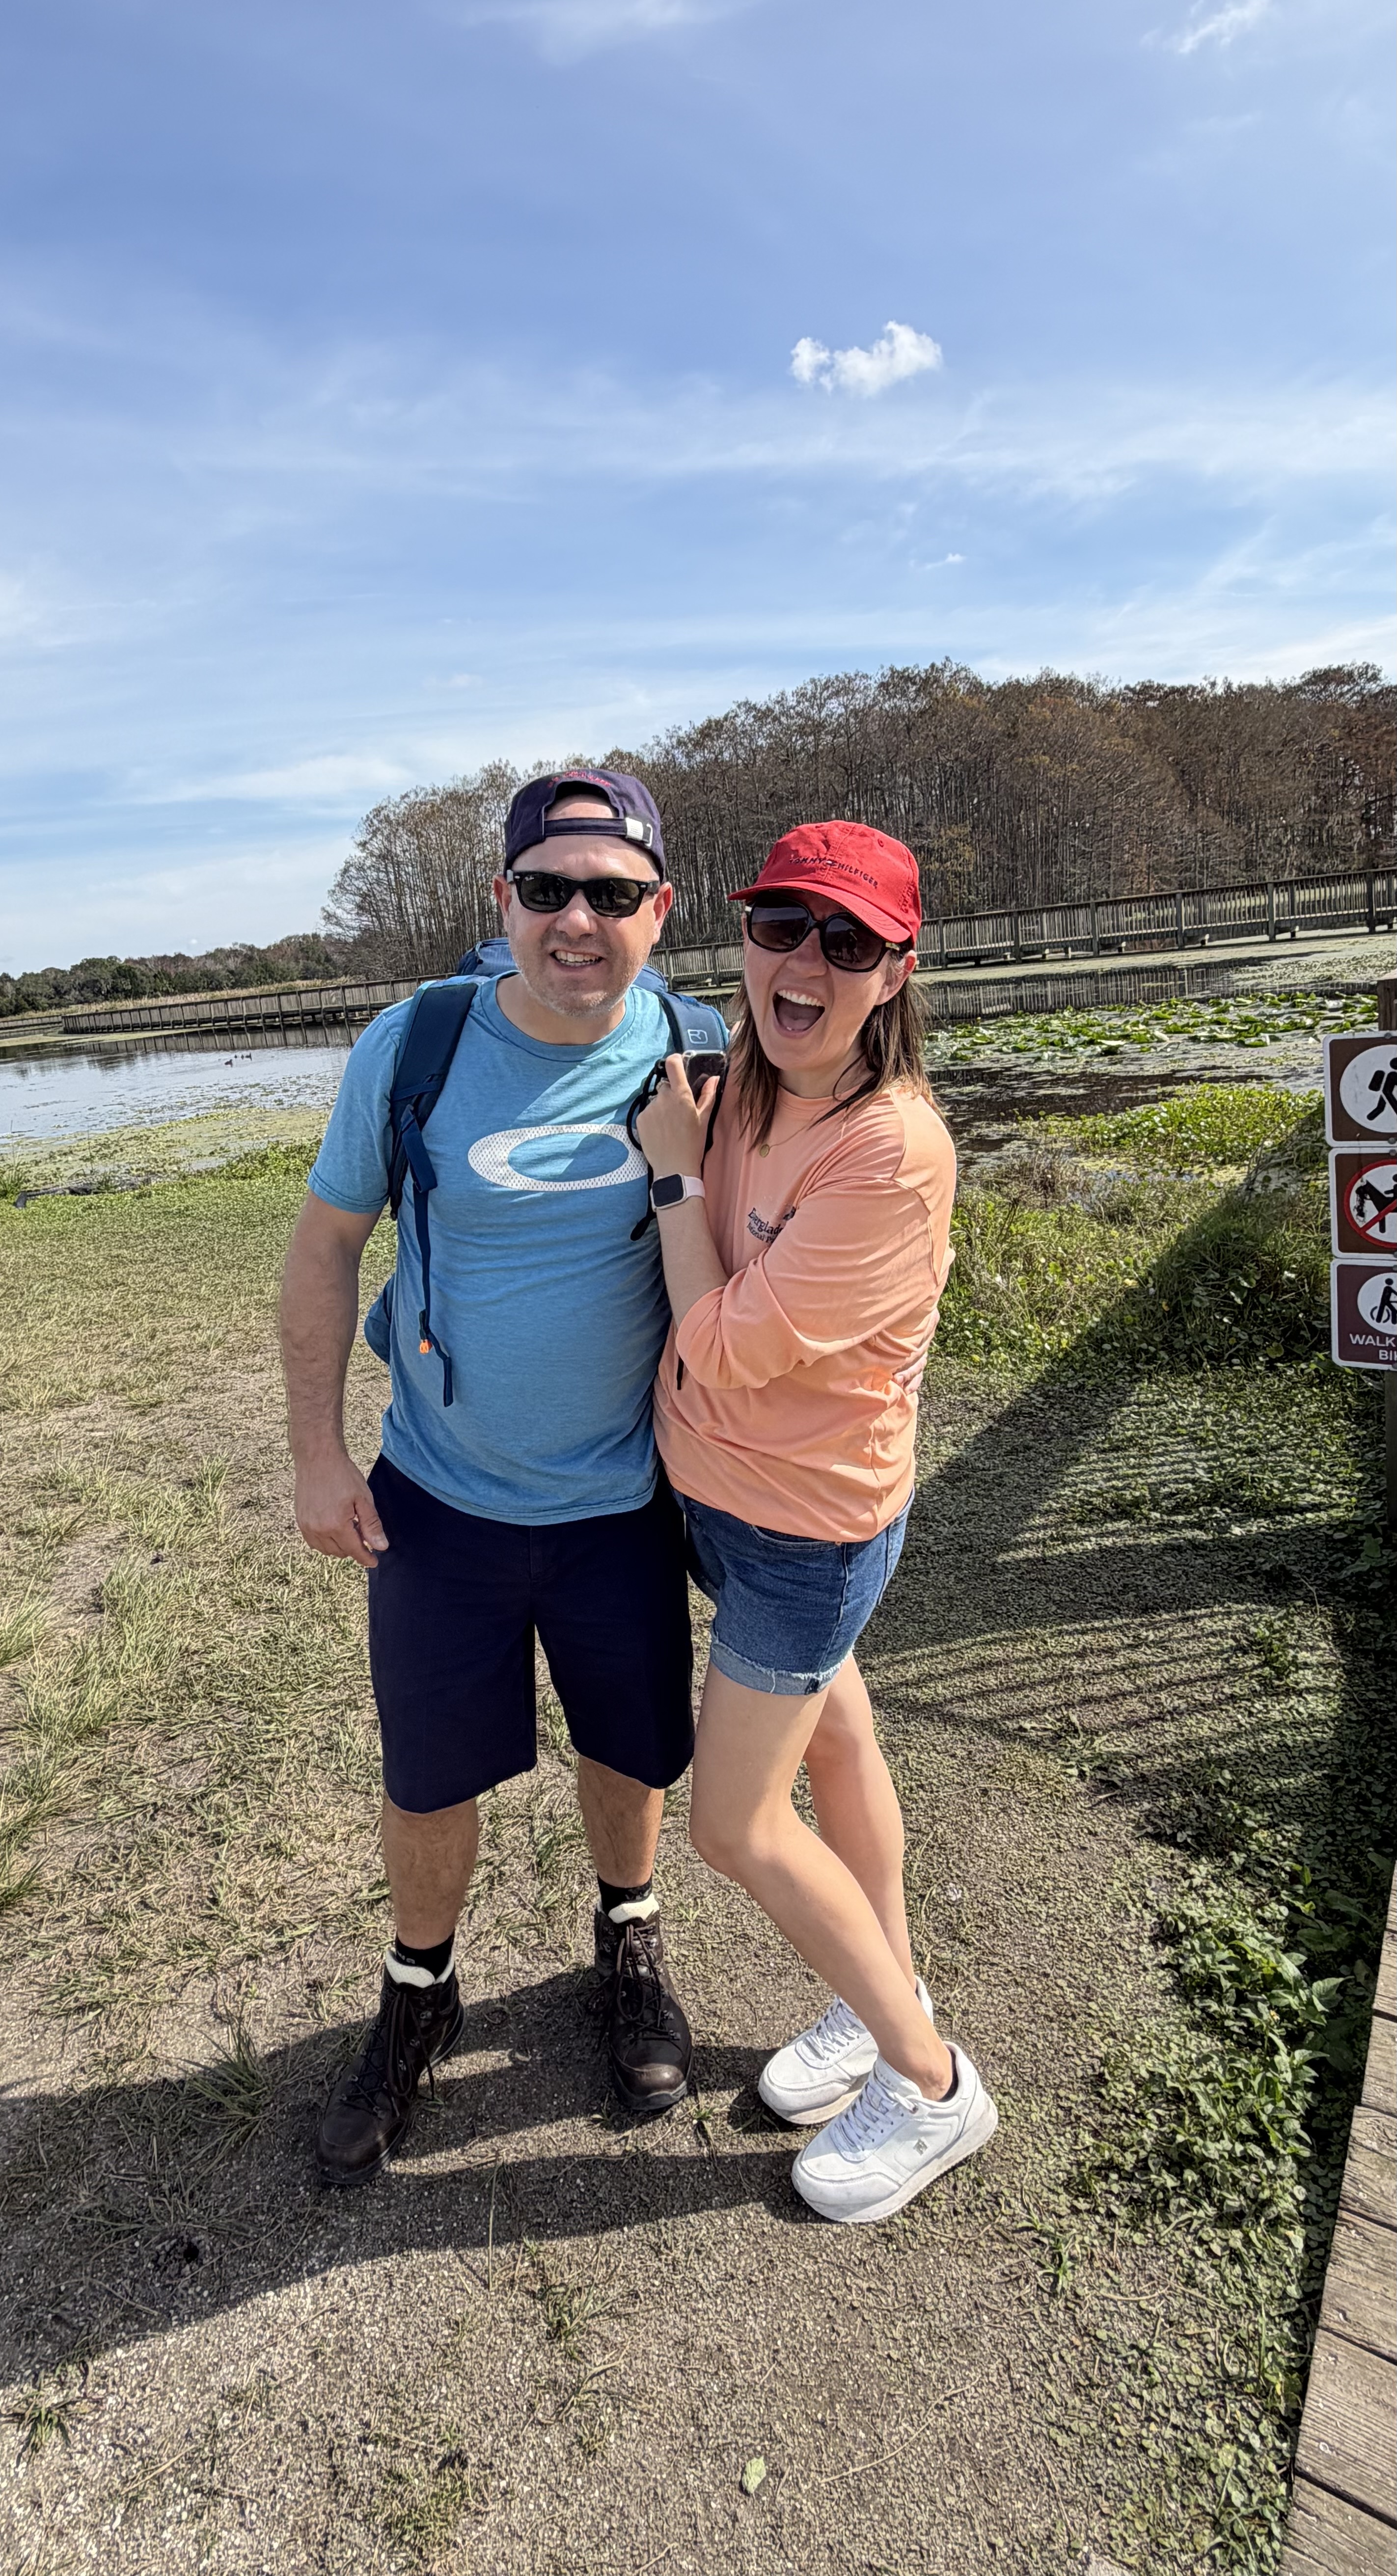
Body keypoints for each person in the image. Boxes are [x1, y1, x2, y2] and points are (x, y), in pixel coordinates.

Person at [279, 772, 701, 2188]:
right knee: (430, 1773)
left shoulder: (702, 1052)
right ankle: (420, 1991)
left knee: (628, 1746)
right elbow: (328, 1245)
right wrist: (319, 1450)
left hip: (630, 1502)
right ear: (502, 903)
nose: (577, 920)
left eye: (613, 893)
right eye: (547, 890)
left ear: (663, 911)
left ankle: (627, 1935)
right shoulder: (418, 1047)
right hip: (441, 1500)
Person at [634, 819, 997, 2225]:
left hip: (806, 1531)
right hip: (724, 1505)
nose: (807, 963)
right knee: (839, 1740)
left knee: (733, 1824)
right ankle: (877, 1993)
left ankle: (932, 2079)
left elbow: (721, 1345)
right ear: (745, 938)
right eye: (784, 926)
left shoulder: (891, 1156)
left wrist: (672, 1173)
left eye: (848, 943)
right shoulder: (739, 1088)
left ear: (897, 973)